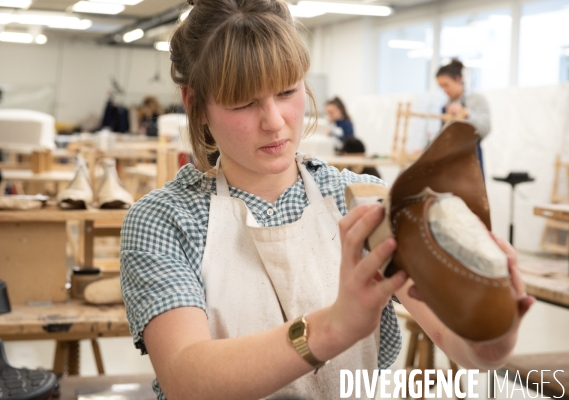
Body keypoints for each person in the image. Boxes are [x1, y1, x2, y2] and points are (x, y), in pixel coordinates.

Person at [120, 1, 533, 399]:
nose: (274, 121)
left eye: (286, 91)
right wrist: (335, 326)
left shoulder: (360, 200)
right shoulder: (165, 220)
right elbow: (186, 380)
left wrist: (493, 333)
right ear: (197, 104)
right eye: (243, 102)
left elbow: (457, 343)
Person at [436, 59, 491, 177]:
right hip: (450, 160)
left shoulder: (476, 100)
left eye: (446, 85)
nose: (444, 90)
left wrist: (468, 114)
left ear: (458, 79)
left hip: (472, 159)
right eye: (441, 87)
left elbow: (485, 129)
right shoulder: (446, 105)